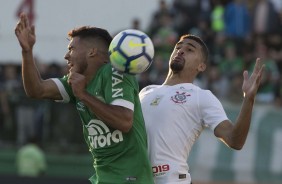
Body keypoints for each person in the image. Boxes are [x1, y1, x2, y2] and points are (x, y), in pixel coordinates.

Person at [15, 13, 154, 184]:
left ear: (92, 51)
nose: (66, 56)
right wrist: (26, 51)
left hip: (128, 179)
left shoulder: (115, 72)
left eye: (71, 49)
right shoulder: (76, 82)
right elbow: (37, 90)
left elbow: (124, 121)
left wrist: (83, 95)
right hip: (102, 178)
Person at [139, 34, 264, 184]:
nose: (180, 51)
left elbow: (235, 140)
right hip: (138, 179)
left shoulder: (201, 97)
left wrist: (248, 99)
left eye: (189, 50)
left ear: (201, 66)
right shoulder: (146, 91)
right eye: (178, 47)